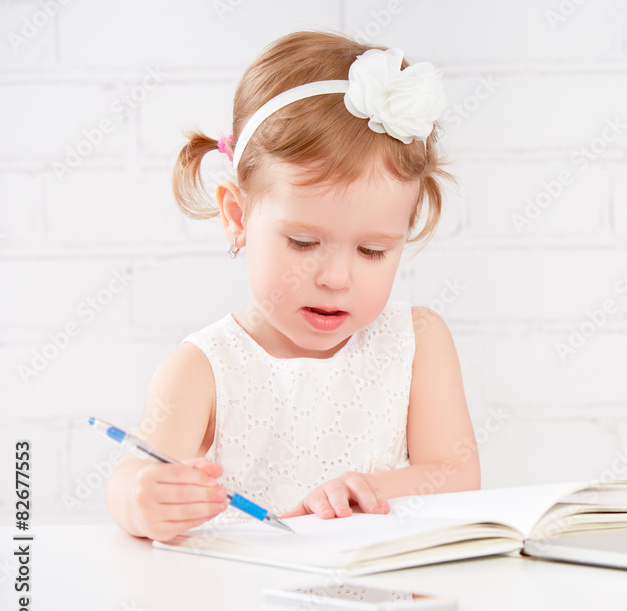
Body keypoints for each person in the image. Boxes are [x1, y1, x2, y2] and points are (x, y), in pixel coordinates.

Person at [106, 30, 480, 541]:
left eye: (373, 251)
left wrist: (364, 491)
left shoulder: (418, 343)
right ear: (237, 215)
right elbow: (133, 475)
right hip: (245, 608)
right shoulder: (204, 369)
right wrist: (140, 500)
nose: (335, 278)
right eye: (304, 243)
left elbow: (458, 478)